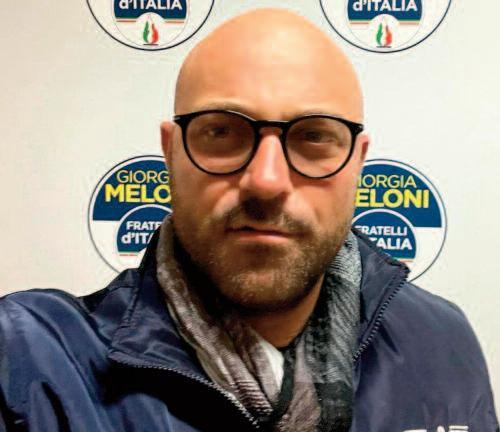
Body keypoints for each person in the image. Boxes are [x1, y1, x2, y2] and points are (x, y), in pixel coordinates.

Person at [0, 8, 497, 432]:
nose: (266, 180)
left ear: (357, 163)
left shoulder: (441, 344)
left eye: (314, 136)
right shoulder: (32, 364)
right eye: (221, 132)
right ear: (170, 153)